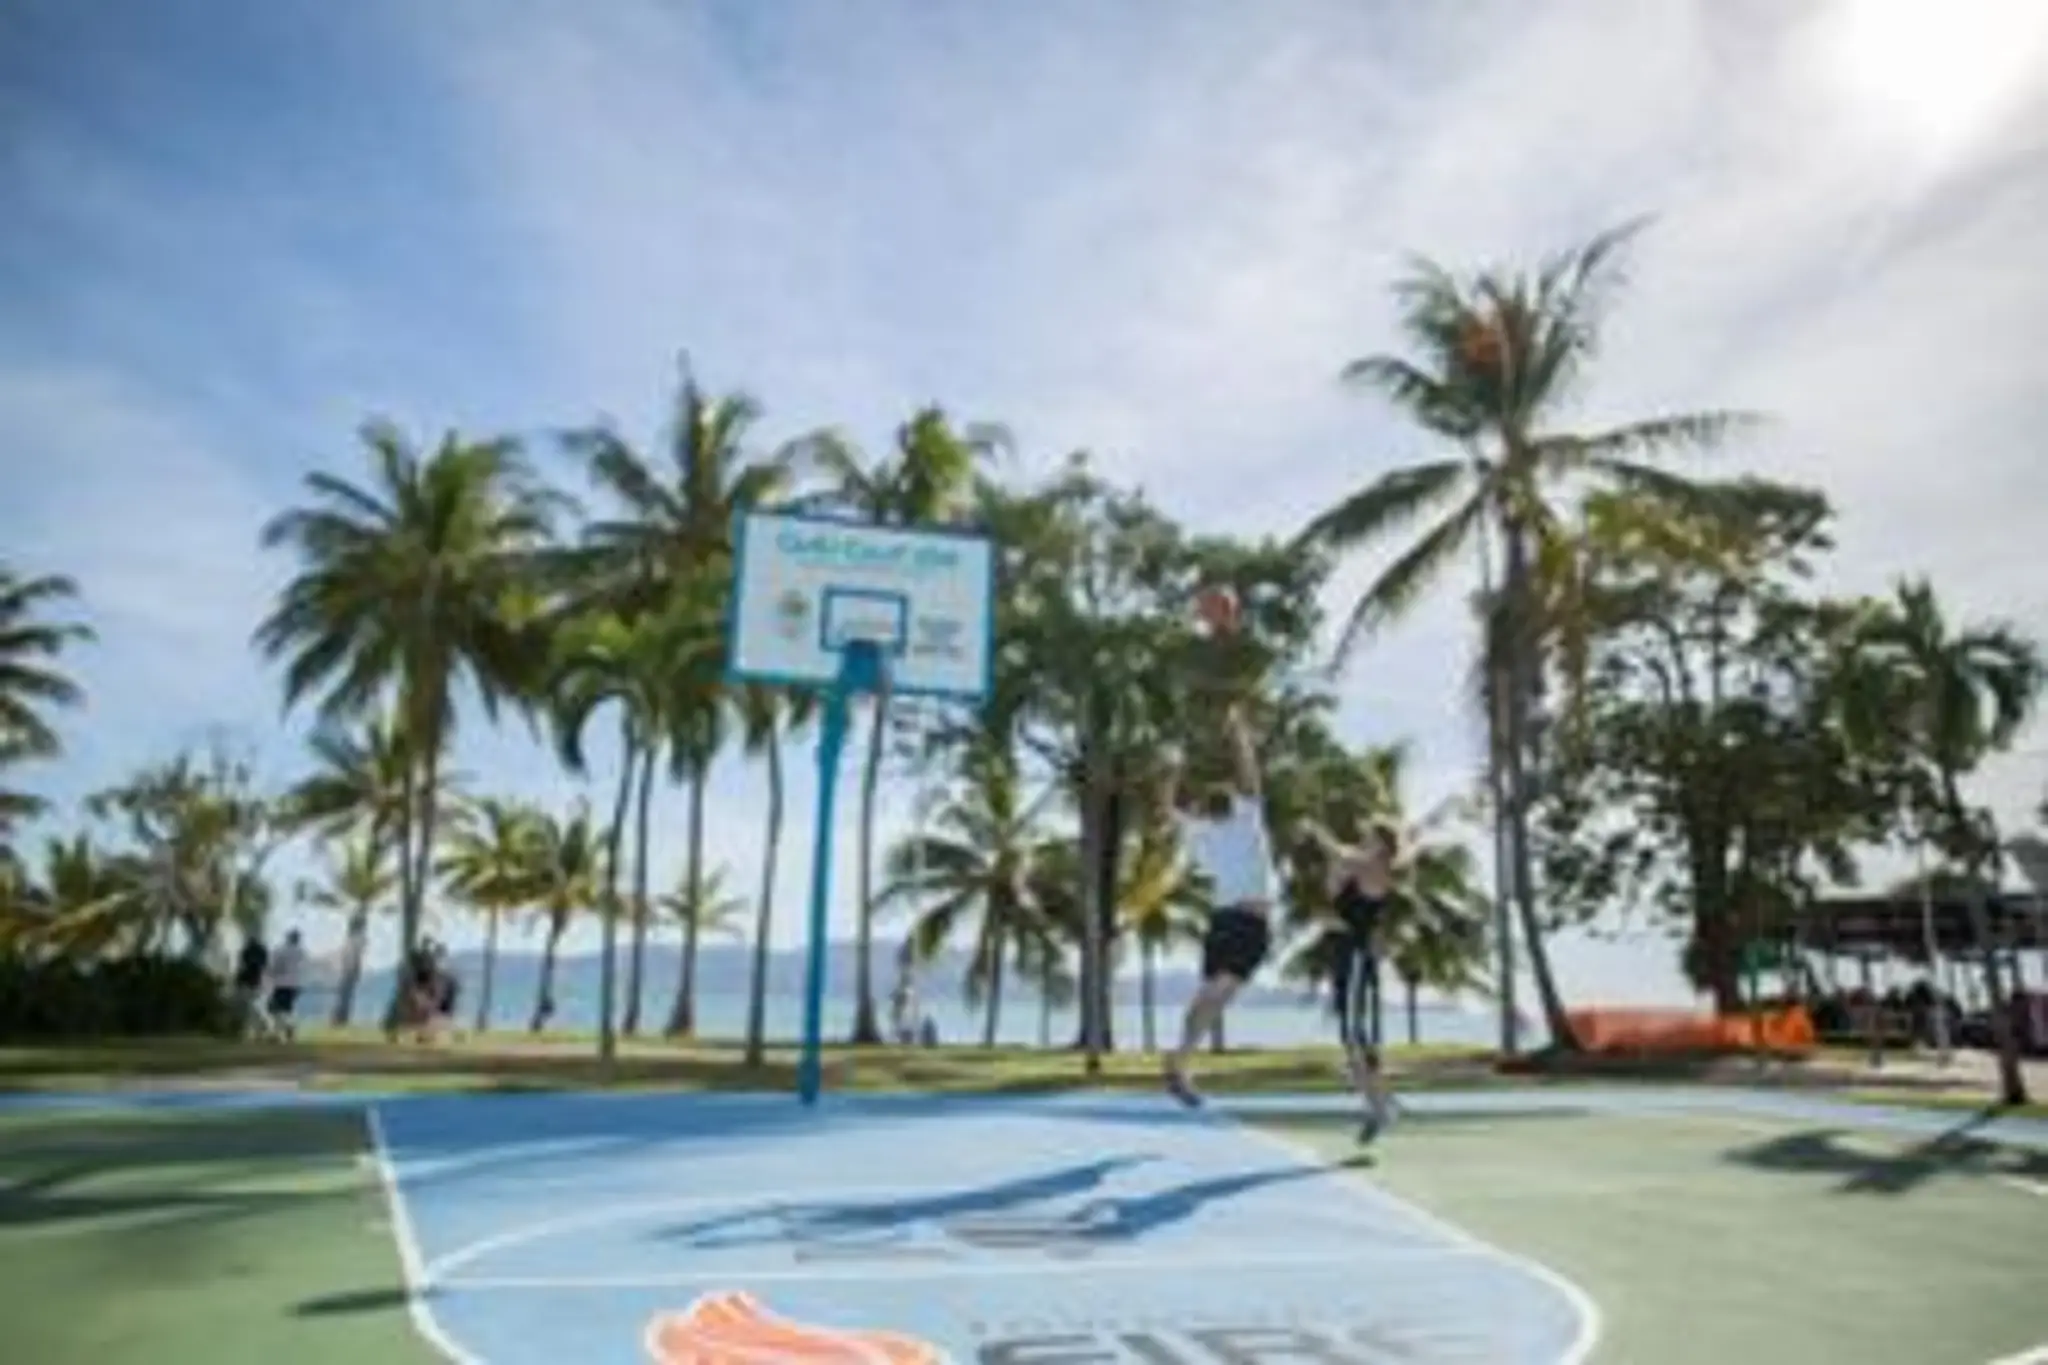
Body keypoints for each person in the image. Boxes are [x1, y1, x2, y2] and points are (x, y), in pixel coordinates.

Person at [1160, 590, 1277, 1107]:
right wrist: (1238, 732)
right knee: (1217, 994)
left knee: (1209, 994)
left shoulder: (1203, 832)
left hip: (1222, 919)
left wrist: (1172, 771)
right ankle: (1179, 1062)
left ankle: (1181, 1064)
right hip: (1248, 922)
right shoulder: (1245, 819)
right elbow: (1249, 772)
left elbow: (1167, 810)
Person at [1304, 816, 1402, 1143]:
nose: (1363, 840)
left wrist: (1318, 831)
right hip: (1343, 956)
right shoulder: (1356, 872)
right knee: (1351, 1038)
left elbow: (1342, 855)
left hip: (1358, 958)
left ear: (1383, 847)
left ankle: (1380, 1107)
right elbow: (1333, 899)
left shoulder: (1377, 871)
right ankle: (1380, 1102)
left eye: (1369, 837)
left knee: (1352, 1035)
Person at [266, 929, 307, 1041]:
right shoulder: (301, 953)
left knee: (275, 1009)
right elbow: (303, 969)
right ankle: (288, 1028)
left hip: (281, 983)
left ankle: (278, 1031)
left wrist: (270, 976)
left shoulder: (281, 950)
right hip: (295, 984)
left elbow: (274, 966)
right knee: (288, 1008)